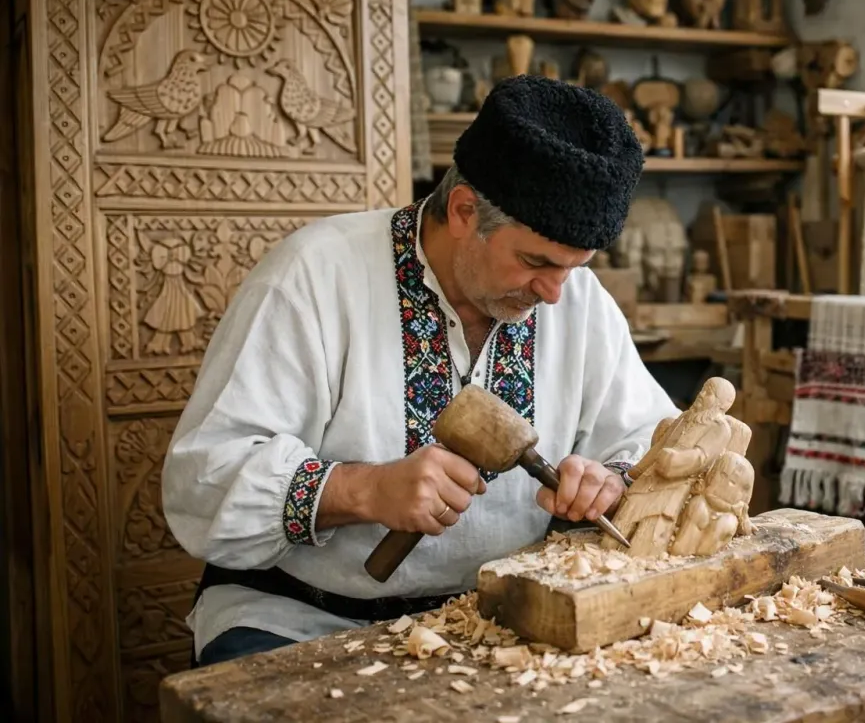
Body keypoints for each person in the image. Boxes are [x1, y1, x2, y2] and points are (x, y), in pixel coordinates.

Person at [162, 74, 680, 667]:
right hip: (303, 619)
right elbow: (203, 479)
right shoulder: (315, 275)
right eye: (535, 261)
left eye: (574, 267)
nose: (556, 294)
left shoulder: (576, 299)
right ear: (464, 211)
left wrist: (609, 479)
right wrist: (364, 490)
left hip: (501, 621)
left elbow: (650, 440)